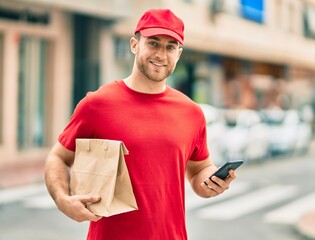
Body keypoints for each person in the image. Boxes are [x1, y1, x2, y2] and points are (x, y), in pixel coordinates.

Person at [44, 8, 236, 240]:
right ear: (135, 45)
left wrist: (211, 182)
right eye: (153, 43)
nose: (161, 54)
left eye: (170, 47)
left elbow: (198, 169)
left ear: (179, 54)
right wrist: (63, 200)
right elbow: (58, 158)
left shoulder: (191, 112)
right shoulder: (97, 104)